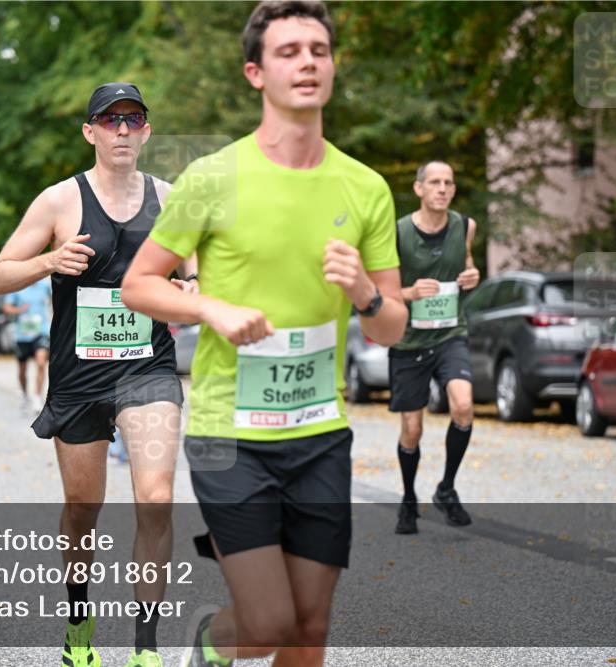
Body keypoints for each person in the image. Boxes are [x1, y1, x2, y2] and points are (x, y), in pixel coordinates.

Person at [121, 3, 408, 665]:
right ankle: (208, 643)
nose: (307, 61)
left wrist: (365, 290)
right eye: (288, 51)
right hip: (232, 435)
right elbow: (141, 284)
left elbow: (392, 326)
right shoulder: (214, 177)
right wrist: (212, 308)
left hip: (318, 433)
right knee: (268, 621)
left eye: (318, 49)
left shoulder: (364, 187)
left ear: (332, 65)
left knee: (310, 624)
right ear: (256, 72)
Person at [0, 82, 196, 667]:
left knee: (155, 497)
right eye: (110, 120)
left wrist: (193, 286)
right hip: (79, 377)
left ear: (147, 131)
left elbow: (204, 271)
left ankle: (145, 649)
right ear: (90, 132)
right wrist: (50, 261)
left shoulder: (172, 198)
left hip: (147, 368)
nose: (123, 129)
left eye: (133, 119)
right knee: (84, 510)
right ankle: (79, 624)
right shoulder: (58, 202)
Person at [388, 160, 480, 534]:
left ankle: (446, 488)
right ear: (419, 188)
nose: (443, 188)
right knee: (412, 429)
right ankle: (409, 497)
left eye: (449, 183)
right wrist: (409, 293)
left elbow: (468, 266)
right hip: (409, 340)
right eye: (435, 182)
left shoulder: (465, 226)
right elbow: (381, 290)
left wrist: (473, 275)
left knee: (463, 406)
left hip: (449, 335)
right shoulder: (397, 233)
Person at [1, 276, 51, 411]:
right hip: (22, 334)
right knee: (22, 369)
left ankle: (37, 397)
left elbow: (55, 299)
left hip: (41, 331)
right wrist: (18, 310)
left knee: (41, 363)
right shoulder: (18, 285)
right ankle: (24, 394)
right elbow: (6, 307)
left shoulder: (44, 286)